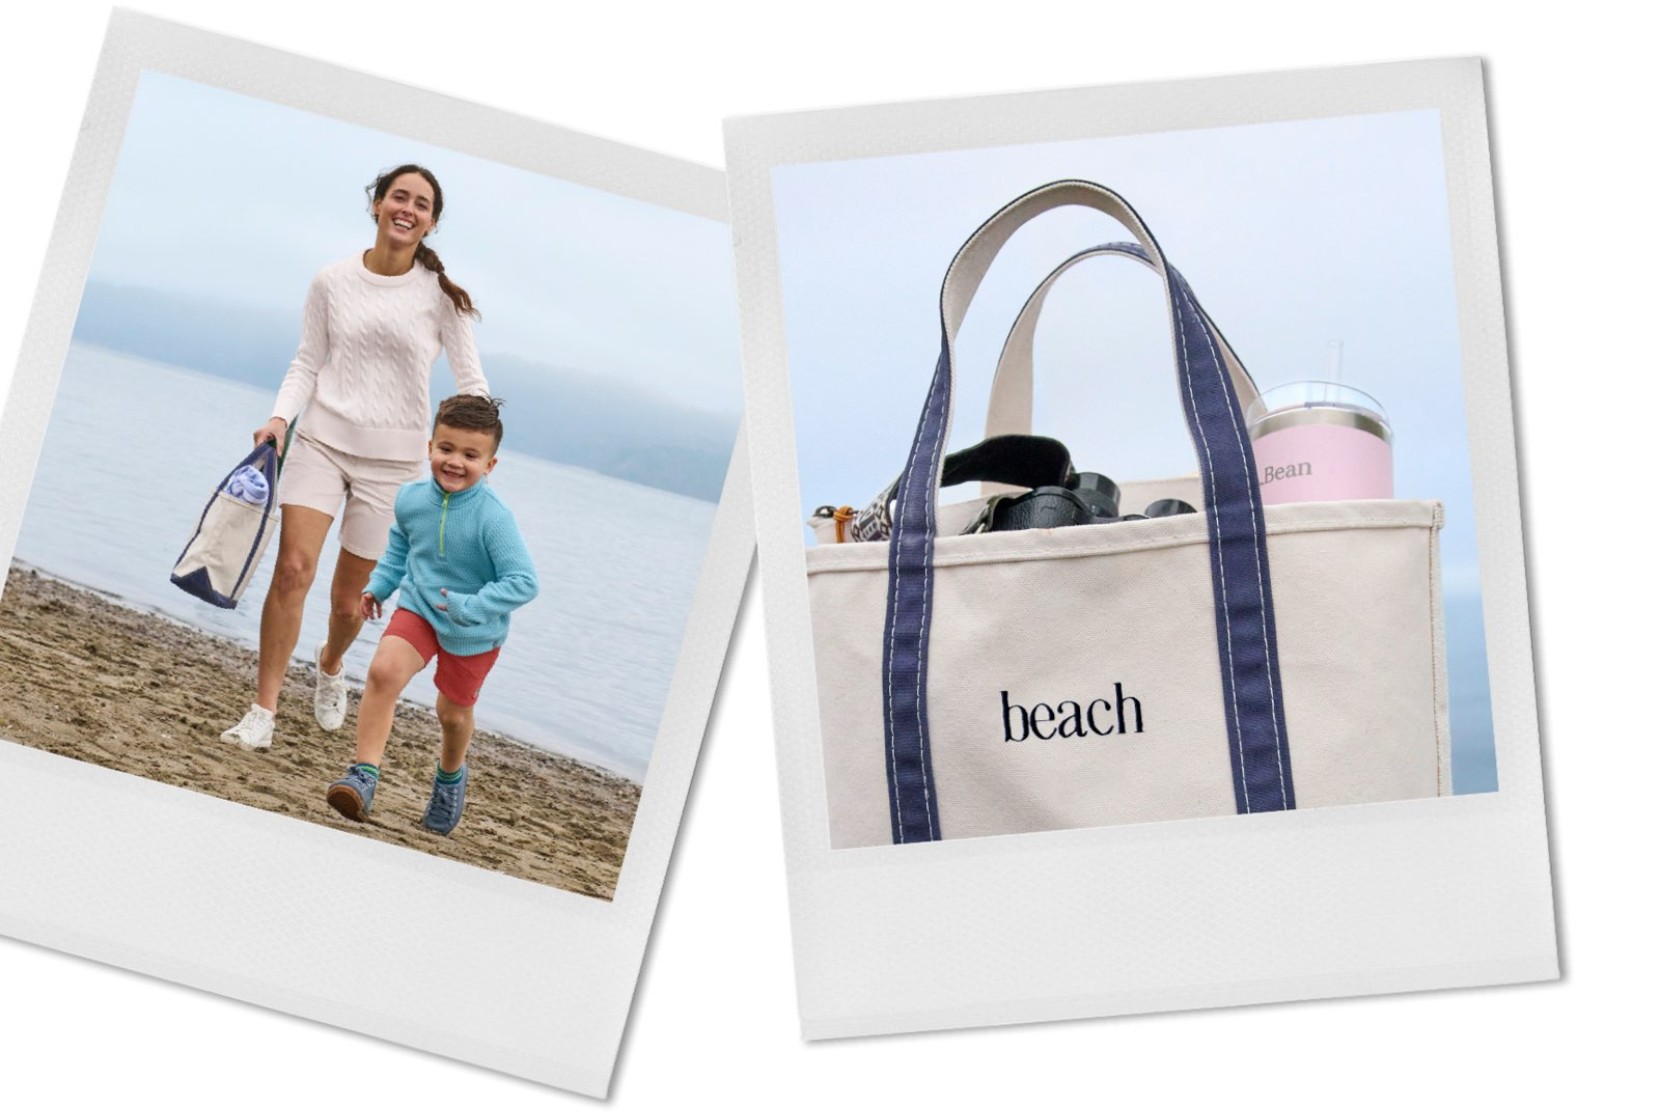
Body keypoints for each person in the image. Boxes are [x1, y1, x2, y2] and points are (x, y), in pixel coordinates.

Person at [221, 164, 489, 750]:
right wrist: (278, 419)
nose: (408, 208)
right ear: (377, 205)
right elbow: (306, 362)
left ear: (431, 222)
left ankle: (331, 663)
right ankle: (262, 712)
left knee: (350, 603)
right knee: (292, 570)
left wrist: (469, 462)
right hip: (320, 441)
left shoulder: (444, 298)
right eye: (399, 196)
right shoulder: (331, 281)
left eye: (421, 204)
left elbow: (472, 388)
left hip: (393, 465)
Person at [324, 395, 538, 835]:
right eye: (446, 449)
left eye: (470, 455)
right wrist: (380, 585)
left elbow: (523, 582)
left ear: (490, 465)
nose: (455, 462)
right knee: (383, 672)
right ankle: (363, 776)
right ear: (429, 447)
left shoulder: (493, 519)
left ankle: (450, 777)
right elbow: (403, 545)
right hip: (419, 608)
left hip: (475, 631)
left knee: (452, 715)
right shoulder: (411, 499)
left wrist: (471, 606)